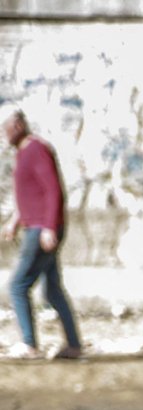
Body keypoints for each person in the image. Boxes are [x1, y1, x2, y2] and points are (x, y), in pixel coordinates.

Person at [4, 112, 82, 360]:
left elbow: (52, 189)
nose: (3, 134)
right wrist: (16, 219)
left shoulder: (37, 149)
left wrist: (49, 227)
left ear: (18, 125)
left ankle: (29, 345)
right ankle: (74, 345)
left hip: (41, 229)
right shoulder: (22, 153)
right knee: (53, 291)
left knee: (17, 285)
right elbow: (29, 192)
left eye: (5, 128)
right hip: (34, 226)